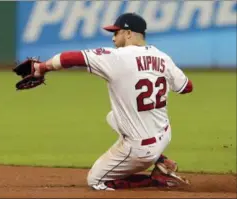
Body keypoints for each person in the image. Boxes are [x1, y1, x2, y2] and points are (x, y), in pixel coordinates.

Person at [33, 13, 193, 190]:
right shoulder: (163, 57)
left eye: (116, 32)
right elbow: (187, 87)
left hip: (140, 149)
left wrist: (41, 68)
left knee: (95, 181)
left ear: (128, 33)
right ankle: (162, 160)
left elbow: (68, 58)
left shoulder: (116, 57)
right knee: (113, 116)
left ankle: (157, 180)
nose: (113, 36)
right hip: (164, 135)